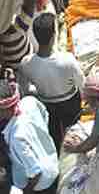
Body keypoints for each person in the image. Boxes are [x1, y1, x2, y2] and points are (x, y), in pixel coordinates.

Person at [18, 12, 83, 153]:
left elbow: (25, 89)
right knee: (73, 131)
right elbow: (81, 84)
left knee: (53, 135)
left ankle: (57, 155)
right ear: (54, 36)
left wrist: (41, 90)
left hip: (47, 105)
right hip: (70, 102)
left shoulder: (26, 63)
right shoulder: (67, 60)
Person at [0, 69, 59, 194]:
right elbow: (45, 115)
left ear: (3, 110)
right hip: (52, 162)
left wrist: (27, 191)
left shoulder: (17, 138)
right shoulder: (29, 102)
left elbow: (35, 173)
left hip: (41, 183)